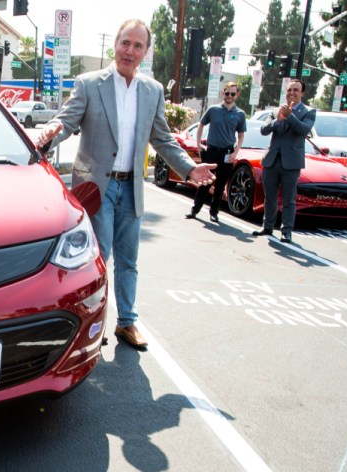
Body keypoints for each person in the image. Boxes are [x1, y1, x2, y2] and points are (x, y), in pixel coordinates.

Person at [37, 19, 216, 351]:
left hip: (132, 188)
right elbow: (67, 121)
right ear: (115, 45)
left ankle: (127, 322)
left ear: (145, 52)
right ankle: (97, 323)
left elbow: (163, 139)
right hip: (97, 187)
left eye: (137, 46)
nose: (129, 51)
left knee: (129, 259)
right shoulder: (90, 83)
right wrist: (49, 134)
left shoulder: (152, 90)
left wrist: (190, 168)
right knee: (99, 258)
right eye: (125, 43)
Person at [251, 79, 315, 244]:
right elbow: (264, 130)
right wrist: (277, 120)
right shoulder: (275, 111)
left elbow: (303, 129)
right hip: (272, 161)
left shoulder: (309, 112)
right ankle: (267, 226)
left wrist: (290, 116)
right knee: (269, 197)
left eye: (296, 90)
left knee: (289, 199)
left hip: (291, 163)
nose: (292, 93)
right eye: (289, 90)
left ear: (302, 93)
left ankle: (286, 231)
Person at [185, 82, 246, 222]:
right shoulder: (213, 109)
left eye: (232, 94)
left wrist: (235, 153)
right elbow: (201, 125)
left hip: (227, 153)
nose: (229, 96)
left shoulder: (240, 114)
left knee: (220, 185)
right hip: (212, 151)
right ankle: (194, 210)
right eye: (227, 93)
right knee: (205, 182)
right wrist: (198, 144)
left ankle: (214, 212)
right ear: (223, 93)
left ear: (237, 95)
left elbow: (241, 135)